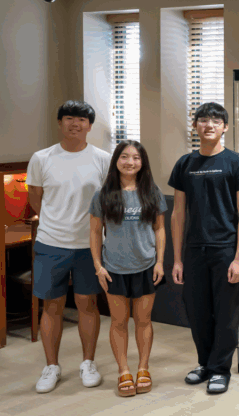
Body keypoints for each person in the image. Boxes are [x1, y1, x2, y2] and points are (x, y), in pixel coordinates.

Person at [169, 102, 239, 394]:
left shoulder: (236, 163)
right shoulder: (185, 164)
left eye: (215, 121)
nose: (209, 125)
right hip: (194, 250)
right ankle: (205, 363)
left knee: (225, 313)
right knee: (197, 311)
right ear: (195, 126)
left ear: (225, 127)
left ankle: (221, 369)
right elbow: (178, 213)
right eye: (203, 120)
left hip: (225, 249)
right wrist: (177, 259)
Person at [26, 100, 111, 393]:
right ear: (60, 122)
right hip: (51, 243)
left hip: (90, 246)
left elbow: (109, 201)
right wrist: (56, 221)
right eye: (69, 118)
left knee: (88, 304)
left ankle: (88, 363)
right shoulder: (41, 158)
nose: (75, 124)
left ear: (90, 125)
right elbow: (36, 198)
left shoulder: (103, 158)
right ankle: (51, 366)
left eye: (82, 120)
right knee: (51, 306)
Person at [89, 140, 167, 397]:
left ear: (142, 162)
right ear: (116, 161)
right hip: (114, 269)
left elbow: (159, 229)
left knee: (144, 321)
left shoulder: (151, 192)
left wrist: (159, 262)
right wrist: (99, 267)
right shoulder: (103, 195)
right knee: (119, 322)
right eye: (124, 157)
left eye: (136, 157)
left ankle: (143, 367)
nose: (130, 162)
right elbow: (94, 232)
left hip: (145, 266)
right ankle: (123, 370)